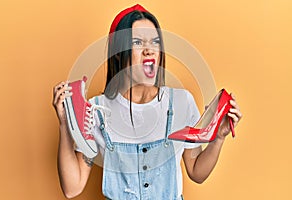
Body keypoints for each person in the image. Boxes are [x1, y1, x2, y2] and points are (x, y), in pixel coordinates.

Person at [52, 4, 242, 200]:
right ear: (118, 51)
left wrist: (218, 138)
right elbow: (72, 188)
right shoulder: (97, 110)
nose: (149, 50)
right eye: (137, 42)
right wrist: (65, 124)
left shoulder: (181, 102)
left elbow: (196, 172)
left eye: (155, 42)